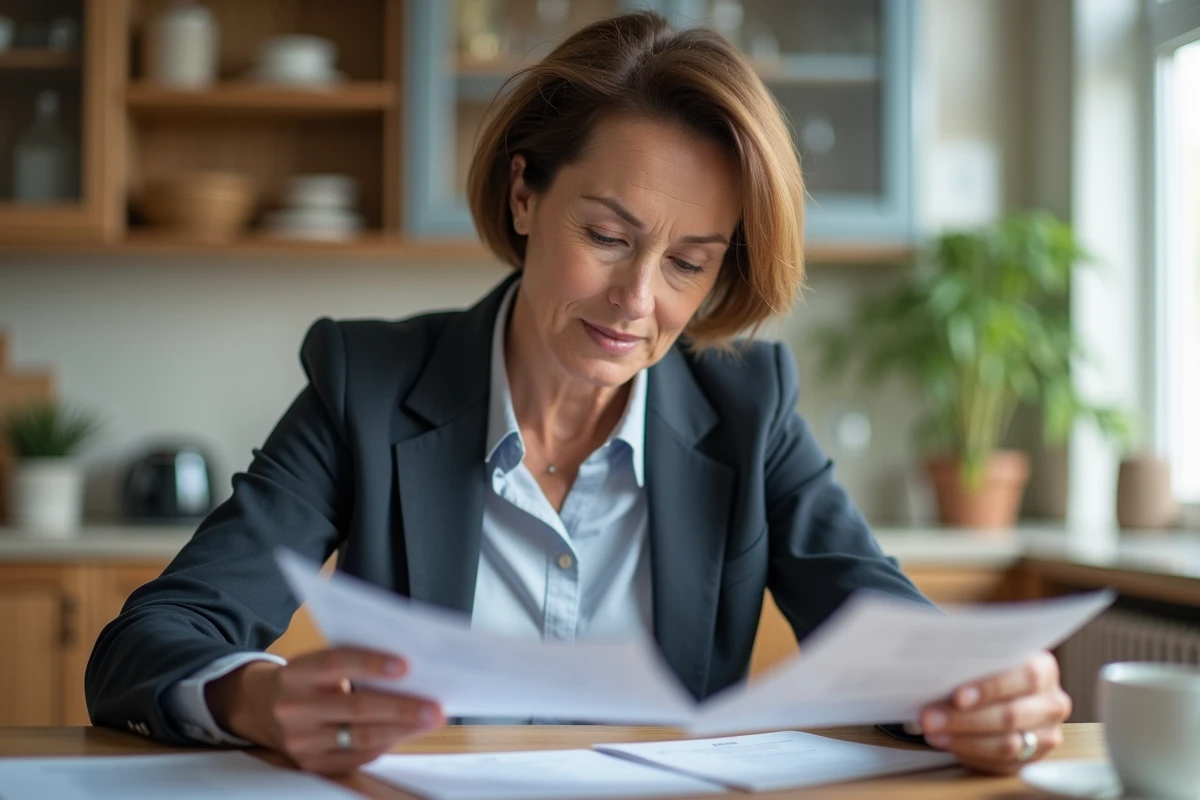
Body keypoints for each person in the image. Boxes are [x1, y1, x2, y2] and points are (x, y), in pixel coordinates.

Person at [86, 10, 1071, 777]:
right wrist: (257, 699)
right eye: (606, 235)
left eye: (689, 262)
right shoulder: (369, 385)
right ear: (525, 194)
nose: (637, 300)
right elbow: (148, 642)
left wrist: (983, 693)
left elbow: (895, 642)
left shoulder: (747, 408)